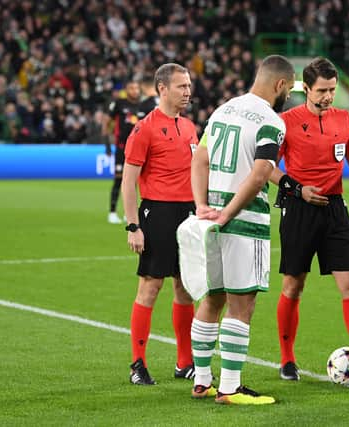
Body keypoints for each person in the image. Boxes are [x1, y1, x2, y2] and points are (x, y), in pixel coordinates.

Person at [179, 55, 295, 405]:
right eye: (289, 88)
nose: (288, 94)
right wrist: (229, 212)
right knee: (241, 304)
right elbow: (261, 173)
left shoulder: (223, 110)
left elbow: (199, 159)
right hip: (243, 219)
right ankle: (230, 387)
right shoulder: (272, 122)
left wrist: (202, 206)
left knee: (212, 297)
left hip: (209, 216)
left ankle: (202, 381)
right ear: (279, 85)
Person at [273, 57, 349, 383]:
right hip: (299, 208)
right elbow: (267, 169)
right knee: (293, 285)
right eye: (323, 90)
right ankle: (287, 360)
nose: (329, 96)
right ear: (306, 88)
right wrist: (298, 190)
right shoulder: (286, 121)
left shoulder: (346, 120)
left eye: (332, 90)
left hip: (334, 209)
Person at [121, 63, 198, 385]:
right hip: (158, 213)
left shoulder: (191, 126)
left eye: (189, 86)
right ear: (162, 89)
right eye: (181, 86)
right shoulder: (145, 128)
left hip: (189, 213)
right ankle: (137, 364)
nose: (188, 92)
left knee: (186, 288)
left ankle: (185, 362)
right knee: (150, 287)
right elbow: (128, 181)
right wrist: (133, 225)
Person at [104, 79, 154, 224]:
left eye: (137, 88)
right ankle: (112, 212)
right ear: (126, 89)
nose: (135, 91)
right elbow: (107, 122)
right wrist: (107, 143)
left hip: (138, 148)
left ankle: (129, 213)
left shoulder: (143, 106)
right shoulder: (119, 104)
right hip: (121, 147)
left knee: (136, 181)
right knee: (119, 179)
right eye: (131, 88)